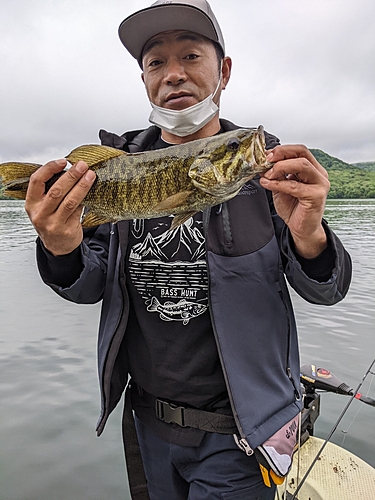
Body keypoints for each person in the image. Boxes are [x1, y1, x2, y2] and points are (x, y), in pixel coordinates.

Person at [25, 1, 352, 499]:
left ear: (223, 71)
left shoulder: (267, 175)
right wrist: (58, 244)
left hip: (243, 437)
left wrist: (311, 239)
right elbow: (87, 284)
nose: (173, 74)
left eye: (191, 56)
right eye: (156, 62)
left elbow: (327, 291)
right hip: (148, 425)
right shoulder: (112, 169)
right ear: (144, 79)